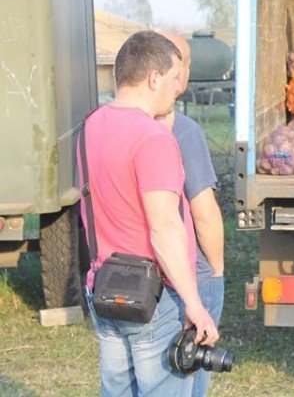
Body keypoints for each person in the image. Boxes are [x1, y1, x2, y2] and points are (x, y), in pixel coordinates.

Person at [80, 30, 219, 396]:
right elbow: (164, 228)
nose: (177, 88)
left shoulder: (90, 126)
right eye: (174, 77)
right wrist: (195, 304)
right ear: (153, 77)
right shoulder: (154, 138)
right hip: (152, 298)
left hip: (105, 287)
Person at [157, 31, 225, 397]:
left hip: (136, 278)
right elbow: (204, 211)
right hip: (189, 275)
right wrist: (215, 272)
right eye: (178, 62)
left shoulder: (108, 125)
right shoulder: (183, 132)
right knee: (189, 376)